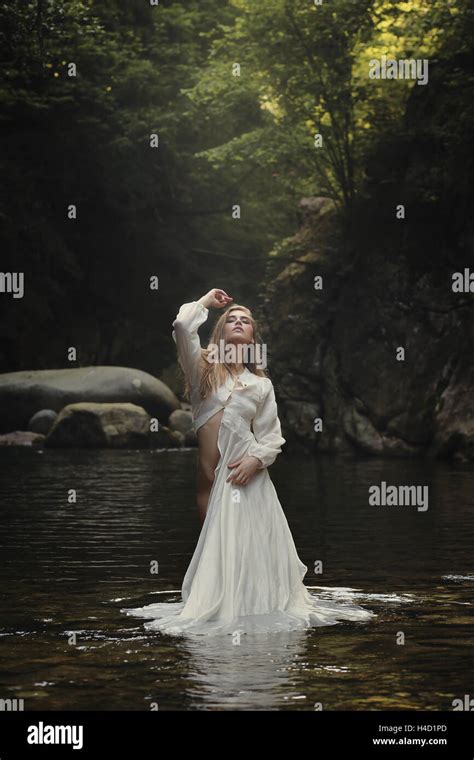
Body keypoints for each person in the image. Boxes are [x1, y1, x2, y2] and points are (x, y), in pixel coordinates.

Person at [122, 288, 376, 636]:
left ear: (253, 337)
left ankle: (258, 612)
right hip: (215, 483)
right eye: (232, 320)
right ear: (221, 332)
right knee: (223, 557)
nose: (239, 322)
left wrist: (255, 461)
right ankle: (228, 615)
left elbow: (272, 436)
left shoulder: (261, 385)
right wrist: (208, 302)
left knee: (253, 553)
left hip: (250, 479)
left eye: (246, 321)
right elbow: (182, 326)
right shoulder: (201, 372)